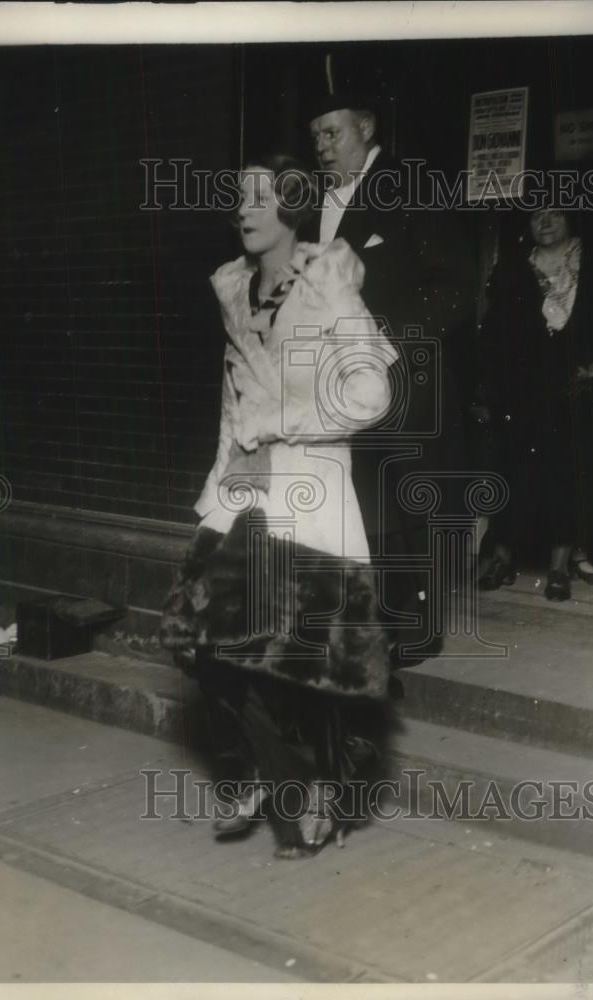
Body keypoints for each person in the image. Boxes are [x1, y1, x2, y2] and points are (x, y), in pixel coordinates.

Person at [160, 154, 398, 858]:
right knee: (201, 643)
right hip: (241, 494)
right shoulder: (233, 291)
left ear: (291, 208)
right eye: (238, 199)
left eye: (259, 200)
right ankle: (253, 776)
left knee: (302, 667)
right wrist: (218, 483)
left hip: (310, 493)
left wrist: (281, 425)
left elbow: (368, 395)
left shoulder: (327, 284)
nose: (243, 211)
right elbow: (231, 406)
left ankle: (310, 792)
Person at [304, 93, 475, 665]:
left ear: (366, 127)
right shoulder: (315, 205)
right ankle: (382, 619)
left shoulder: (410, 187)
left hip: (405, 373)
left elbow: (453, 289)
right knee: (366, 497)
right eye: (318, 138)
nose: (324, 148)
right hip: (340, 381)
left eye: (333, 133)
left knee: (411, 499)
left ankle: (421, 628)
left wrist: (387, 337)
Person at [474, 209, 593, 601]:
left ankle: (558, 569)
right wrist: (488, 386)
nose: (545, 221)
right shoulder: (512, 269)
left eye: (555, 213)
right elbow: (494, 331)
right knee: (510, 471)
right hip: (521, 389)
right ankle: (502, 559)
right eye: (537, 216)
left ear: (571, 219)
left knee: (567, 474)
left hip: (576, 385)